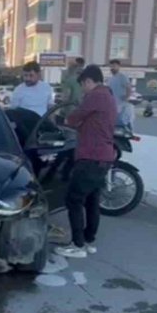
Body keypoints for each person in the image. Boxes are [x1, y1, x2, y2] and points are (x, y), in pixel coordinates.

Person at [56, 65, 118, 259]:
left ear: (89, 81)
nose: (83, 89)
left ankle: (77, 244)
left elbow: (74, 118)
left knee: (73, 199)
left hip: (91, 156)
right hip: (103, 157)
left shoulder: (96, 96)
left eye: (83, 85)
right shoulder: (108, 96)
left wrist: (62, 117)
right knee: (91, 200)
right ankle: (89, 240)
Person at [107, 59, 134, 130]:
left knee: (122, 123)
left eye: (114, 66)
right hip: (112, 105)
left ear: (119, 67)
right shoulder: (111, 79)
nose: (112, 68)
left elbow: (128, 87)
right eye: (111, 66)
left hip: (121, 105)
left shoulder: (122, 76)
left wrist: (127, 97)